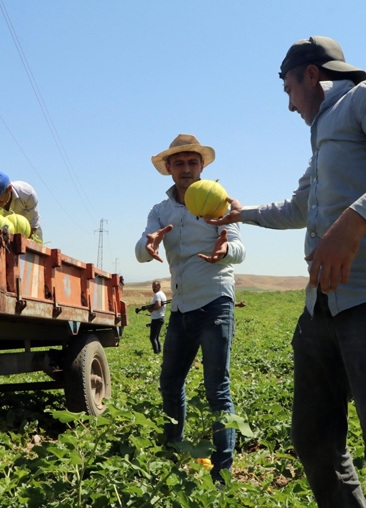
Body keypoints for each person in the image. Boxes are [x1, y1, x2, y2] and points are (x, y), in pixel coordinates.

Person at [207, 36, 366, 506]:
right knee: (314, 438)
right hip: (323, 306)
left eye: (287, 90)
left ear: (310, 75)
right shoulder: (322, 136)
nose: (289, 105)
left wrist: (355, 222)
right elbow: (301, 205)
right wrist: (243, 214)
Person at [135, 133, 245, 485]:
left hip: (215, 302)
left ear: (202, 166)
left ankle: (223, 472)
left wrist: (225, 250)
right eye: (179, 163)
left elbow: (240, 249)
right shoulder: (160, 211)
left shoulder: (218, 203)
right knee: (170, 382)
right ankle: (173, 449)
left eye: (192, 162)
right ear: (168, 168)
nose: (186, 169)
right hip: (181, 307)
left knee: (218, 389)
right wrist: (148, 243)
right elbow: (141, 249)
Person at [0, 171, 43, 241]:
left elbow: (33, 225)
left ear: (9, 189)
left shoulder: (27, 194)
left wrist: (21, 245)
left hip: (29, 230)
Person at [146, 280, 167, 354]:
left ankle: (156, 352)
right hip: (160, 317)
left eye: (155, 287)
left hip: (157, 318)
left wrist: (151, 310)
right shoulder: (162, 294)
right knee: (156, 337)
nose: (153, 288)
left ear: (159, 286)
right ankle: (159, 350)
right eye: (152, 287)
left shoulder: (158, 295)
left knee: (152, 337)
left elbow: (158, 305)